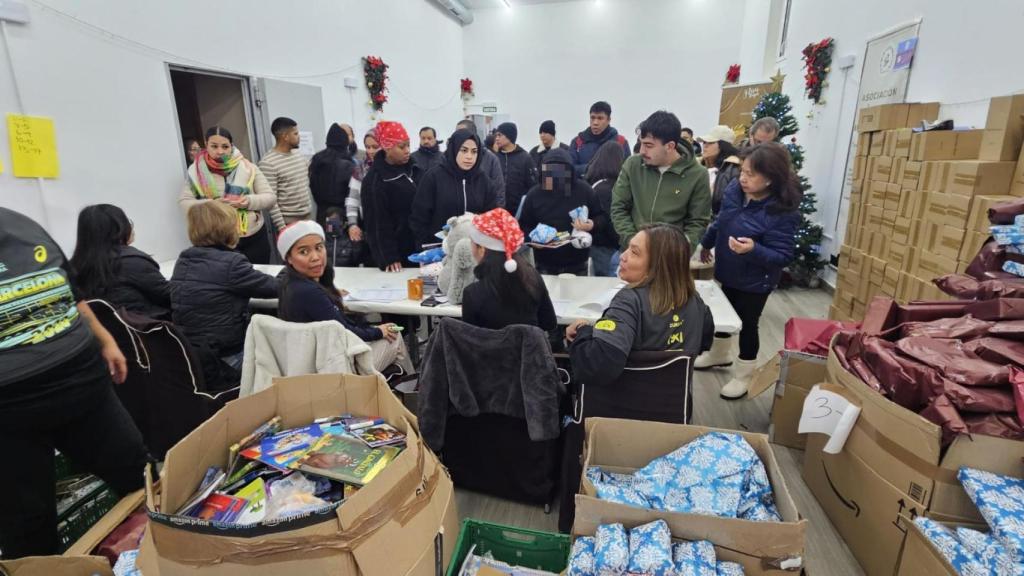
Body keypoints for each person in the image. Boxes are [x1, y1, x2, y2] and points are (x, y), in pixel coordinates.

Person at [0, 207, 150, 559]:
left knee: (136, 470)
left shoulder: (21, 224)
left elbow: (71, 291)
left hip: (84, 384)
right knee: (28, 524)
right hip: (10, 412)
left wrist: (104, 338)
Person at [698, 143, 801, 399]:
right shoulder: (735, 190)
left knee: (747, 324)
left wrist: (753, 249)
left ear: (770, 178)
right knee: (722, 313)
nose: (742, 178)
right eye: (742, 171)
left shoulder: (781, 211)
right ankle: (719, 354)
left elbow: (783, 255)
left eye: (750, 174)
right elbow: (722, 220)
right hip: (728, 270)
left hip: (756, 281)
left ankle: (745, 374)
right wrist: (707, 243)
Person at [566, 223, 714, 386]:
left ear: (657, 265)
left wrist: (583, 332)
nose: (623, 256)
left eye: (634, 252)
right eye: (627, 248)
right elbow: (704, 342)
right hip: (676, 397)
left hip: (625, 398)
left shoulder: (629, 301)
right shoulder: (696, 300)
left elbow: (597, 367)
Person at [276, 221, 413, 373]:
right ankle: (413, 385)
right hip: (334, 370)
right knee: (394, 335)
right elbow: (345, 332)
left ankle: (399, 383)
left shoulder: (291, 283)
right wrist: (379, 331)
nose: (315, 257)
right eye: (304, 252)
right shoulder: (309, 292)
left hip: (314, 363)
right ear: (289, 258)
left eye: (319, 248)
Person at [170, 202, 279, 372]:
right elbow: (274, 288)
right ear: (228, 229)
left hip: (194, 354)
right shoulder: (232, 263)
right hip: (226, 356)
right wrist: (290, 271)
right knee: (279, 356)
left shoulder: (184, 259)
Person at [610, 110, 711, 252]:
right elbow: (618, 207)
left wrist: (681, 250)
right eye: (641, 143)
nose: (642, 151)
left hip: (670, 255)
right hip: (632, 250)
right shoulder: (633, 165)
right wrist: (634, 242)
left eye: (649, 145)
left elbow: (698, 221)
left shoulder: (697, 174)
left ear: (670, 146)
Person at [179, 126, 280, 265]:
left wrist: (248, 201)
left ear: (231, 146)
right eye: (214, 146)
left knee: (258, 273)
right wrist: (212, 205)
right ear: (206, 144)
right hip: (217, 239)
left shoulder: (248, 167)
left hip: (252, 236)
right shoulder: (196, 171)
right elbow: (184, 202)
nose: (220, 151)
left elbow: (270, 197)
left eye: (225, 146)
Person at [69, 204, 171, 319]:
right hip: (147, 326)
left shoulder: (72, 268)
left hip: (107, 329)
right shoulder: (132, 261)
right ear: (118, 228)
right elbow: (170, 296)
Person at [461, 208, 556, 331]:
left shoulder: (473, 293)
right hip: (529, 343)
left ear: (482, 249)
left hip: (488, 344)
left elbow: (470, 338)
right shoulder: (532, 279)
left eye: (472, 242)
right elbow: (549, 323)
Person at [518, 148, 603, 276]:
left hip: (578, 263)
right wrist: (532, 240)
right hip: (544, 263)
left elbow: (601, 217)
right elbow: (523, 226)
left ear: (569, 171)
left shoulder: (584, 190)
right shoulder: (534, 194)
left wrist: (591, 225)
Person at [410, 129, 499, 247]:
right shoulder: (434, 177)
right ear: (454, 149)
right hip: (440, 249)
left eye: (474, 152)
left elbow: (491, 216)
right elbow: (419, 217)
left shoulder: (483, 181)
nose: (469, 157)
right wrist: (428, 246)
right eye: (464, 150)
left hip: (474, 249)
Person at [361, 121, 422, 272]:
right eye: (401, 147)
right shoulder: (376, 180)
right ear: (387, 148)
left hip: (420, 247)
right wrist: (388, 256)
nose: (407, 151)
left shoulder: (415, 169)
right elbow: (376, 223)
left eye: (408, 145)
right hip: (399, 253)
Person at [258, 117, 313, 225]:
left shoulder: (298, 154)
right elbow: (271, 200)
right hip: (288, 221)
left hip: (307, 216)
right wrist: (281, 226)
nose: (299, 137)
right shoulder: (268, 163)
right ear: (285, 137)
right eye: (295, 133)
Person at [584, 141, 625, 277]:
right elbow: (611, 221)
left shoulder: (594, 185)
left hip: (594, 245)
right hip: (605, 249)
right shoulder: (609, 189)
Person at [309, 123, 357, 226]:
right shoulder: (347, 165)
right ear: (344, 142)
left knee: (326, 235)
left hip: (322, 213)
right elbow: (352, 194)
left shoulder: (317, 159)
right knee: (336, 235)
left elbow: (312, 186)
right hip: (340, 215)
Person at [569, 101, 631, 175]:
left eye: (600, 118)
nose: (595, 122)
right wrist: (589, 168)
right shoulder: (577, 142)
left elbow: (628, 171)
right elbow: (570, 168)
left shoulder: (621, 142)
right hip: (583, 182)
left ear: (608, 120)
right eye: (592, 118)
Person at [345, 129, 380, 250]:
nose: (370, 151)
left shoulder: (392, 168)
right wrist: (352, 224)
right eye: (367, 147)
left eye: (375, 147)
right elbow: (352, 199)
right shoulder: (360, 169)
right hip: (368, 226)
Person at [457, 119, 505, 207]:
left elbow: (498, 191)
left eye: (460, 133)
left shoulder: (490, 159)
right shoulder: (451, 157)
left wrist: (496, 212)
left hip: (482, 212)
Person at [493, 122, 537, 217]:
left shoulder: (525, 158)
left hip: (519, 212)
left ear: (509, 136)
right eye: (496, 135)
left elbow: (533, 185)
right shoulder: (495, 157)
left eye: (500, 135)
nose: (496, 138)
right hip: (497, 211)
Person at [699, 125, 742, 216]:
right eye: (704, 142)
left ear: (723, 146)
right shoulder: (697, 165)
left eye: (710, 142)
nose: (705, 145)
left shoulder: (734, 169)